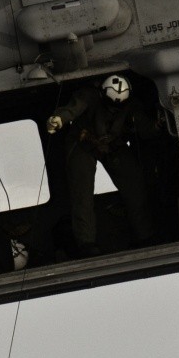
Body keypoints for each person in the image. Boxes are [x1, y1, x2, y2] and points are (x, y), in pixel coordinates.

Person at [46, 73, 158, 257]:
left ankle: (145, 235)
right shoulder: (90, 95)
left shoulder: (130, 104)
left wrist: (158, 125)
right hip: (82, 143)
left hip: (112, 145)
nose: (113, 110)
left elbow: (145, 128)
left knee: (134, 183)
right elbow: (73, 108)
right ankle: (86, 244)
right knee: (82, 192)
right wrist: (58, 120)